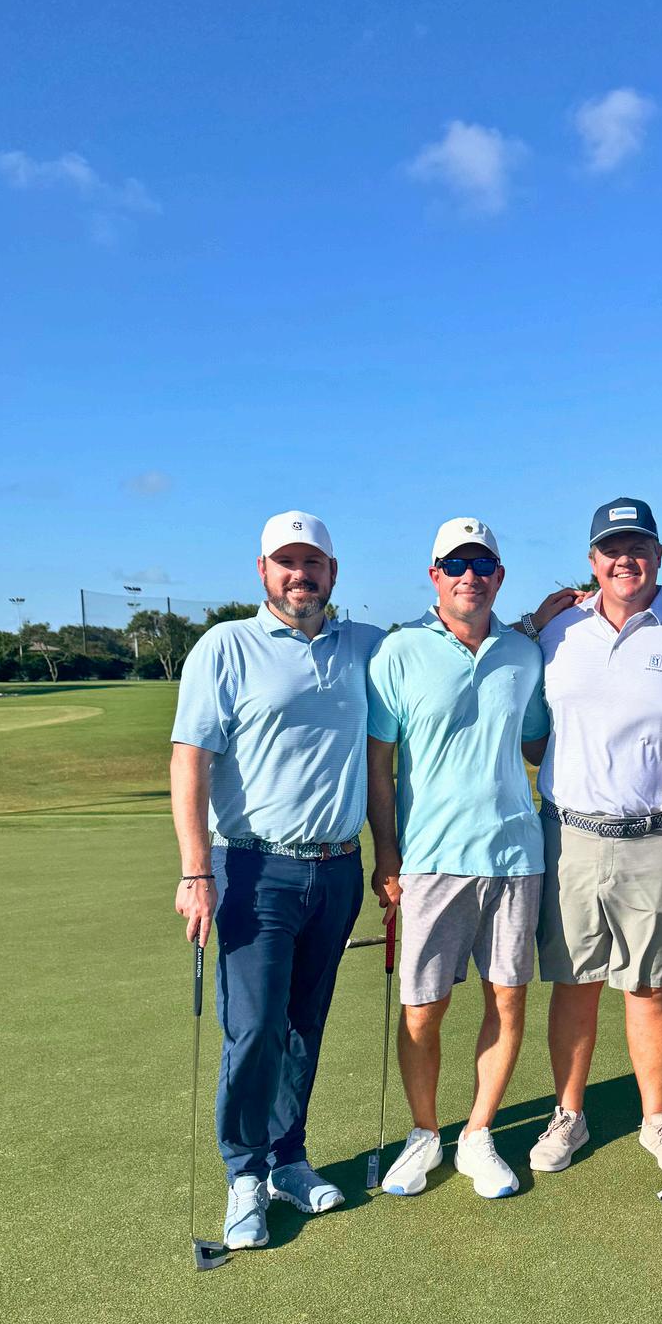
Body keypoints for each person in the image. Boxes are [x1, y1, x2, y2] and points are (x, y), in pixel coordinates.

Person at [170, 511, 383, 1249]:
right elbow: (189, 760)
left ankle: (289, 1159)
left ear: (333, 571)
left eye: (313, 562)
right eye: (286, 562)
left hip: (338, 866)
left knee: (303, 1024)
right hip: (251, 865)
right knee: (255, 1027)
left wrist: (539, 620)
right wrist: (196, 869)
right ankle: (244, 1173)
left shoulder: (364, 644)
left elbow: (445, 636)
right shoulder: (226, 645)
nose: (301, 574)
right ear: (263, 571)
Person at [526, 497, 662, 1179]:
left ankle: (657, 1119)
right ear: (593, 560)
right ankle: (569, 1114)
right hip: (569, 836)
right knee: (574, 983)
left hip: (657, 838)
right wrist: (532, 621)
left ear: (658, 554)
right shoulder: (557, 633)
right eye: (612, 549)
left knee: (648, 987)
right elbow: (534, 734)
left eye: (638, 547)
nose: (625, 560)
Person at [365, 518, 561, 1199]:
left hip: (515, 856)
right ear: (434, 575)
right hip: (429, 859)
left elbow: (536, 741)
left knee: (506, 998)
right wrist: (386, 852)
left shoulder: (524, 653)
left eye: (481, 565)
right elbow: (380, 764)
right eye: (455, 565)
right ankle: (424, 1134)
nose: (468, 576)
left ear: (499, 577)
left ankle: (478, 1133)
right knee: (423, 1008)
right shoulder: (398, 652)